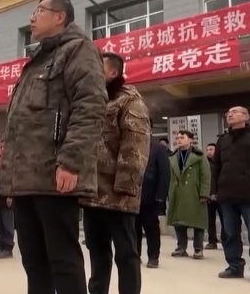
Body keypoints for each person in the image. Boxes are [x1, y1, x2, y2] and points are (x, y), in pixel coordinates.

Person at [1, 0, 107, 294]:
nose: (32, 18)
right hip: (27, 180)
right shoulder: (37, 61)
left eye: (39, 11)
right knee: (33, 261)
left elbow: (90, 107)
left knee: (63, 260)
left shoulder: (78, 50)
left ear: (60, 17)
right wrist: (11, 182)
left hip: (55, 177)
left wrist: (71, 161)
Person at [80, 52, 150, 294]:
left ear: (113, 72)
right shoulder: (92, 100)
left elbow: (135, 146)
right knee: (97, 251)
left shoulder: (129, 100)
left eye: (97, 67)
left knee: (126, 253)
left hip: (118, 194)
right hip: (91, 192)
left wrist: (125, 187)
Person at [212, 106, 250, 285]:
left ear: (246, 116)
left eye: (235, 112)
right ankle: (234, 267)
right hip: (226, 194)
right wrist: (214, 190)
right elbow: (215, 167)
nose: (229, 114)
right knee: (229, 233)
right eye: (228, 113)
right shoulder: (223, 140)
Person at [167, 130, 211, 260]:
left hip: (194, 192)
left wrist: (204, 193)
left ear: (190, 140)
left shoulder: (199, 156)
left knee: (198, 221)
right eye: (177, 138)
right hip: (177, 192)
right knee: (178, 222)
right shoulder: (173, 156)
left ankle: (198, 248)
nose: (179, 140)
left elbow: (205, 175)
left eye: (182, 137)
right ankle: (181, 247)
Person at [137, 139, 169, 268]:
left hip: (150, 197)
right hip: (131, 196)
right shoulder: (130, 144)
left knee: (151, 228)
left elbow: (164, 173)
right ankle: (135, 255)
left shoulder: (158, 148)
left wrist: (161, 196)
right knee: (132, 228)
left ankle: (153, 256)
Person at [204, 143, 222, 249]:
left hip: (221, 195)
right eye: (207, 150)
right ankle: (212, 241)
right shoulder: (205, 163)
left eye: (211, 149)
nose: (209, 152)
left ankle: (225, 239)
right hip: (209, 196)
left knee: (225, 220)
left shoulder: (221, 162)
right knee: (210, 221)